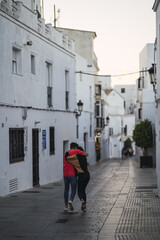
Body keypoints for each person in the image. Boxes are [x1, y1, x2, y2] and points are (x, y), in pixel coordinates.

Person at [63, 142, 88, 212]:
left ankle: (65, 206)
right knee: (73, 190)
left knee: (66, 190)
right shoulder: (76, 151)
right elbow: (86, 154)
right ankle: (70, 201)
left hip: (65, 174)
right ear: (75, 147)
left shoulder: (66, 153)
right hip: (72, 174)